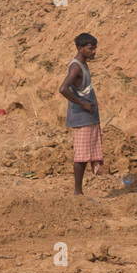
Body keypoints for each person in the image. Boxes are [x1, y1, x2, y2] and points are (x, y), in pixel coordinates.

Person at [59, 32, 103, 195]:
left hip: (88, 116)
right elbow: (62, 89)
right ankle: (78, 192)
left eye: (94, 48)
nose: (94, 52)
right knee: (81, 156)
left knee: (86, 154)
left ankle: (80, 191)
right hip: (81, 118)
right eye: (91, 49)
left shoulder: (83, 64)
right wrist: (83, 104)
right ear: (80, 48)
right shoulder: (76, 66)